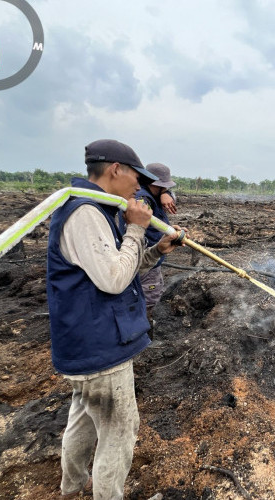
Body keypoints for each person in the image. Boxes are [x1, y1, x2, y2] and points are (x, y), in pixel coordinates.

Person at [46, 139, 184, 499]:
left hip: (89, 345)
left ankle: (71, 488)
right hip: (100, 346)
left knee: (84, 419)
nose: (139, 186)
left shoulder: (100, 209)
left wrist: (155, 250)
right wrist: (137, 229)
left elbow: (122, 269)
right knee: (120, 431)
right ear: (115, 170)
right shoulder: (86, 213)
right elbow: (112, 281)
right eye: (136, 177)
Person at [133, 163, 178, 332]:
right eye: (163, 187)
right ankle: (144, 335)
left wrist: (165, 192)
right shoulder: (142, 201)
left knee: (150, 293)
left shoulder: (154, 195)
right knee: (148, 298)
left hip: (151, 257)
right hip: (146, 258)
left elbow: (172, 197)